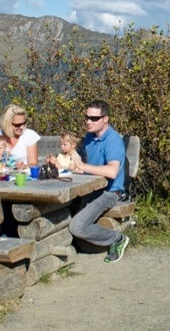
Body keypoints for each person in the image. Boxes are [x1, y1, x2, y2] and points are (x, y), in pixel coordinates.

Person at [67, 100, 129, 263]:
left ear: (105, 119)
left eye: (94, 118)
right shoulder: (89, 137)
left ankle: (117, 238)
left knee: (77, 227)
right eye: (87, 118)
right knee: (62, 214)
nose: (89, 122)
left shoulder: (113, 141)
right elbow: (88, 165)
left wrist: (82, 165)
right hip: (90, 188)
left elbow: (112, 171)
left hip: (109, 192)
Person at [0, 104, 40, 169]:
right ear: (7, 123)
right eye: (17, 125)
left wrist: (24, 166)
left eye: (24, 123)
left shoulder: (30, 135)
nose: (22, 127)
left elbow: (33, 163)